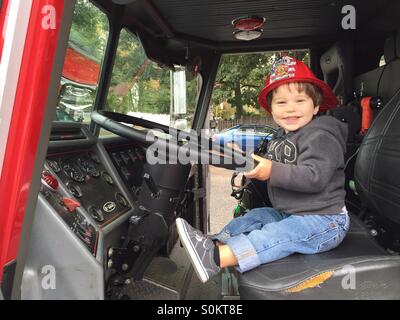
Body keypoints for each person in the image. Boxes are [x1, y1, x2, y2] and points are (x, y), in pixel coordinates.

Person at [175, 56, 350, 283]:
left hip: (325, 220)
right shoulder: (286, 137)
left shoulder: (322, 135)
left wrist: (272, 171)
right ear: (272, 110)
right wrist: (242, 156)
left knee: (280, 233)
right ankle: (213, 243)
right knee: (257, 216)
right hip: (292, 212)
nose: (290, 109)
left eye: (300, 101)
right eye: (281, 103)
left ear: (316, 106)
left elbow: (314, 177)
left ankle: (218, 258)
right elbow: (266, 163)